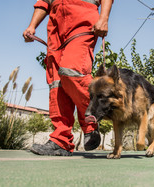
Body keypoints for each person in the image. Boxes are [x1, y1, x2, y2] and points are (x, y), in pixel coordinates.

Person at [23, 0, 113, 156]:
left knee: (72, 70)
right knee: (56, 83)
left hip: (82, 20)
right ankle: (61, 141)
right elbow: (44, 2)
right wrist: (32, 26)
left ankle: (92, 121)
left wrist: (104, 18)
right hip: (56, 26)